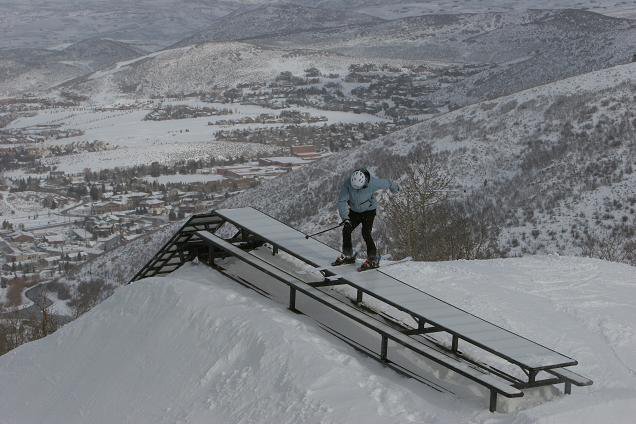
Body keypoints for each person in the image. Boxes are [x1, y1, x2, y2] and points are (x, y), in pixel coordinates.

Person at [333, 168, 399, 270]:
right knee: (346, 229)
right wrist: (345, 218)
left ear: (365, 182)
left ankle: (372, 258)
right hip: (354, 211)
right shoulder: (348, 184)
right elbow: (342, 201)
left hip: (369, 211)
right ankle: (347, 255)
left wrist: (395, 189)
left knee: (366, 232)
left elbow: (389, 183)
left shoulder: (373, 183)